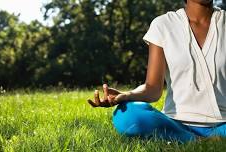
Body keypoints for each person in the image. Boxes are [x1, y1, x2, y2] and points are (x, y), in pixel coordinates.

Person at [87, 0, 226, 143]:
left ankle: (189, 140)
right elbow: (152, 88)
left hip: (223, 123)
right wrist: (126, 95)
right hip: (175, 123)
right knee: (127, 115)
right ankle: (199, 140)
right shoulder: (163, 25)